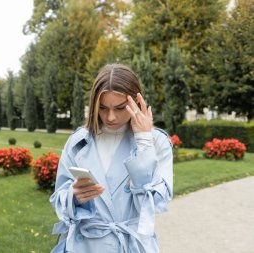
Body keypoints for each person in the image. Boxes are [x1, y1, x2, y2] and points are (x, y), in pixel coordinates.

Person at [49, 64, 173, 253]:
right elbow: (59, 197)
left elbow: (155, 203)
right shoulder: (78, 141)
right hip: (83, 245)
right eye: (103, 108)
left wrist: (143, 141)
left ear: (136, 102)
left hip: (129, 246)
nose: (111, 117)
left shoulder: (156, 142)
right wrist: (73, 197)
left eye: (120, 108)